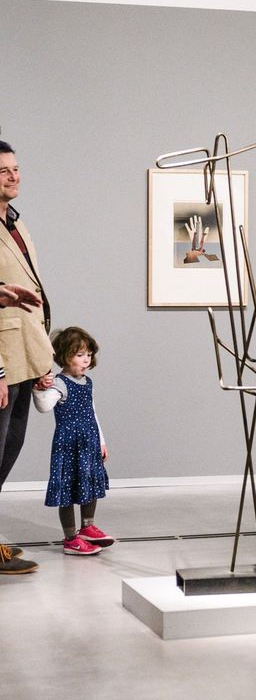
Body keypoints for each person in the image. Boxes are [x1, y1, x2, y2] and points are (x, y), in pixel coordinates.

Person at [0, 140, 53, 575]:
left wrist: (40, 361)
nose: (14, 176)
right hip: (1, 362)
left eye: (16, 168)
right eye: (4, 171)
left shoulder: (15, 224)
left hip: (23, 357)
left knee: (8, 452)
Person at [32, 327, 113, 556]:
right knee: (67, 489)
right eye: (79, 354)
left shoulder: (88, 382)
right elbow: (44, 407)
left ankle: (87, 527)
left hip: (89, 443)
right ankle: (70, 538)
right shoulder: (60, 383)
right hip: (69, 445)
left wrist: (102, 441)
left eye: (88, 354)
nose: (85, 359)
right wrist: (38, 389)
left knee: (90, 484)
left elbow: (92, 412)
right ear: (65, 356)